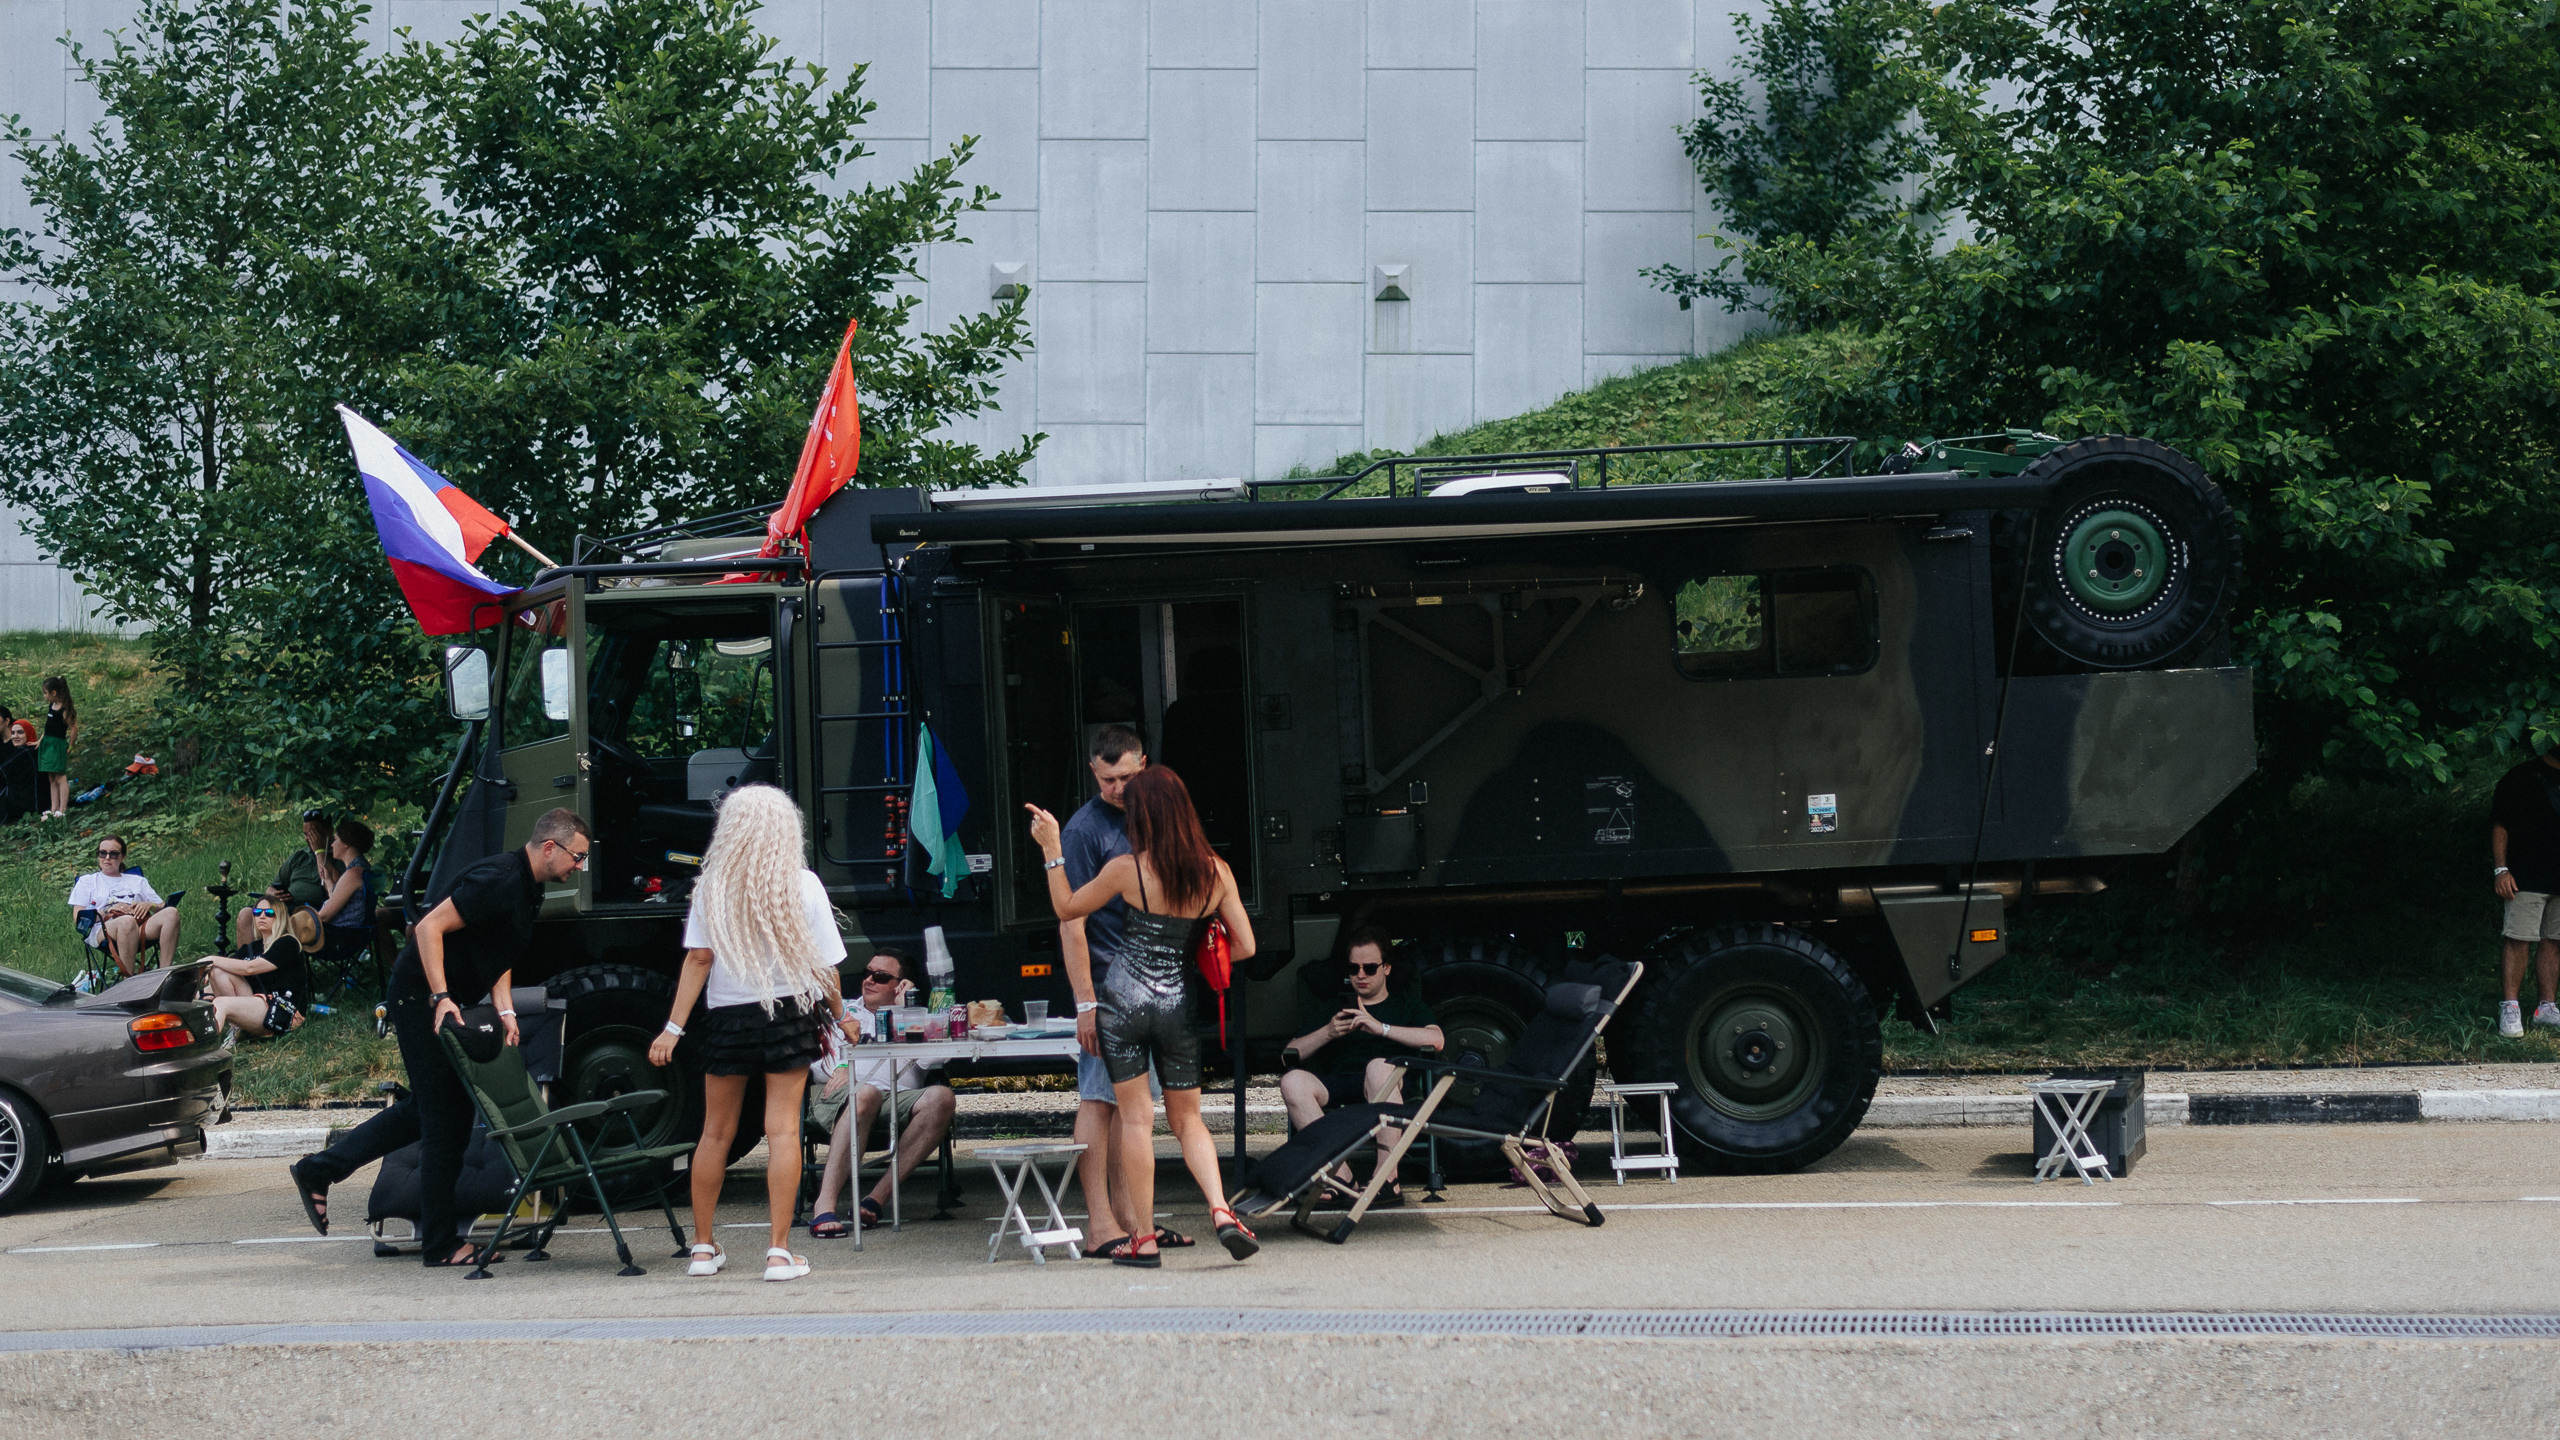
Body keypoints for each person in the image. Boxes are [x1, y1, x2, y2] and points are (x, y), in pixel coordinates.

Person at [1026, 763, 1260, 1266]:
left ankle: (1144, 1239)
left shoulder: (1127, 869)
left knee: (1135, 1119)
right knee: (1189, 1119)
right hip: (1178, 1002)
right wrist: (1192, 949)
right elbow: (1245, 946)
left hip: (1124, 1003)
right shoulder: (1216, 872)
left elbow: (1068, 908)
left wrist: (1051, 850)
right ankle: (1221, 1211)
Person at [646, 784, 853, 1283]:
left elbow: (698, 959)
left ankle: (701, 1248)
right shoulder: (802, 884)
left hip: (727, 1016)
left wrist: (673, 1027)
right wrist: (842, 1014)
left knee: (714, 1132)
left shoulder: (711, 885)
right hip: (787, 1016)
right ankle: (779, 1253)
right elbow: (824, 966)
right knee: (782, 1130)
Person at [378, 807, 588, 1267]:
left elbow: (499, 949)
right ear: (550, 847)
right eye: (577, 857)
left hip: (446, 999)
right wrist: (442, 997)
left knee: (440, 1115)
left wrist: (506, 1008)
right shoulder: (499, 877)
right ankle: (439, 1244)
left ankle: (322, 1169)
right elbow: (429, 926)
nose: (580, 867)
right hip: (420, 998)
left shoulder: (528, 888)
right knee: (443, 1125)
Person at [1056, 724, 1175, 1261]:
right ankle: (1101, 1223)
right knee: (1100, 1100)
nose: (1120, 788)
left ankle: (1131, 1220)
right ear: (1092, 772)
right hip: (1108, 985)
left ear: (1144, 764)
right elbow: (1071, 921)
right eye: (1108, 780)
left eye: (1128, 776)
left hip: (1148, 981)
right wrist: (1085, 1001)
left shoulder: (1150, 814)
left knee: (1132, 1107)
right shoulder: (1084, 831)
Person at [1280, 930, 1445, 1206]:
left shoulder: (1404, 1004)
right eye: (1353, 968)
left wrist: (1381, 1028)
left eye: (1369, 968)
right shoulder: (1336, 1008)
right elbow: (1289, 1053)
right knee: (1292, 1081)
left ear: (1386, 968)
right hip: (1341, 1083)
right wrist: (1329, 1032)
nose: (1361, 975)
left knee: (1378, 1067)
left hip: (1388, 1083)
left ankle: (1386, 1179)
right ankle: (1341, 1177)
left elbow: (1436, 1039)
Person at [804, 945, 957, 1237]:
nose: (869, 980)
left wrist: (906, 1012)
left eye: (881, 976)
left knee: (942, 1097)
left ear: (901, 985)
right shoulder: (843, 1011)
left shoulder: (916, 1016)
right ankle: (824, 1205)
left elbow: (933, 1060)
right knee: (867, 1094)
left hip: (897, 1101)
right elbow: (812, 1063)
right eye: (868, 973)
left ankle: (875, 1199)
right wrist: (840, 1065)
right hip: (842, 1098)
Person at [2491, 744, 2560, 1036]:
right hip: (2525, 876)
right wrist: (2501, 868)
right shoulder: (2521, 777)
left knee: (2555, 941)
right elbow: (2500, 824)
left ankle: (2546, 1008)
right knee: (2518, 939)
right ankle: (2510, 1007)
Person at [200, 890, 312, 1040]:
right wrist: (200, 993)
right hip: (257, 1003)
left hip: (283, 1010)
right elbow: (227, 969)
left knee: (221, 1002)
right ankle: (237, 1030)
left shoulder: (287, 943)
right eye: (257, 912)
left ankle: (208, 1050)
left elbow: (249, 968)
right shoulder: (252, 948)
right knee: (217, 971)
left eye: (269, 912)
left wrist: (211, 958)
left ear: (280, 916)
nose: (262, 916)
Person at [69, 833, 179, 977]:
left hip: (140, 927)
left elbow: (163, 906)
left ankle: (164, 976)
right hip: (105, 930)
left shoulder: (136, 881)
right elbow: (79, 919)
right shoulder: (88, 881)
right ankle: (128, 983)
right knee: (127, 921)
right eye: (102, 853)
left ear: (123, 857)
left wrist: (149, 905)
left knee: (172, 913)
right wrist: (107, 910)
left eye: (113, 854)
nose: (107, 858)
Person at [238, 808, 341, 948]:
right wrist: (273, 894)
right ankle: (248, 962)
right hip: (287, 907)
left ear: (329, 830)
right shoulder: (299, 857)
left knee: (286, 921)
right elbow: (272, 886)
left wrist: (319, 852)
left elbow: (336, 890)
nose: (309, 839)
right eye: (306, 834)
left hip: (314, 913)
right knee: (246, 915)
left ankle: (270, 962)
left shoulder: (338, 857)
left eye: (313, 833)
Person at [310, 817, 379, 973]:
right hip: (349, 934)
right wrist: (328, 879)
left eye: (335, 839)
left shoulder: (354, 874)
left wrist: (299, 923)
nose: (332, 844)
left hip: (342, 937)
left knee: (288, 933)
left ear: (346, 843)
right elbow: (338, 900)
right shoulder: (360, 869)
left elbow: (325, 916)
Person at [36, 675, 75, 820]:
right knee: (51, 777)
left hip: (57, 745)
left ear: (53, 692)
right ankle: (54, 808)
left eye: (45, 693)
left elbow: (74, 728)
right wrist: (40, 740)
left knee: (60, 776)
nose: (44, 696)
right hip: (48, 744)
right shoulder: (51, 706)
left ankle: (63, 809)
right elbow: (48, 727)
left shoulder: (65, 709)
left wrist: (71, 746)